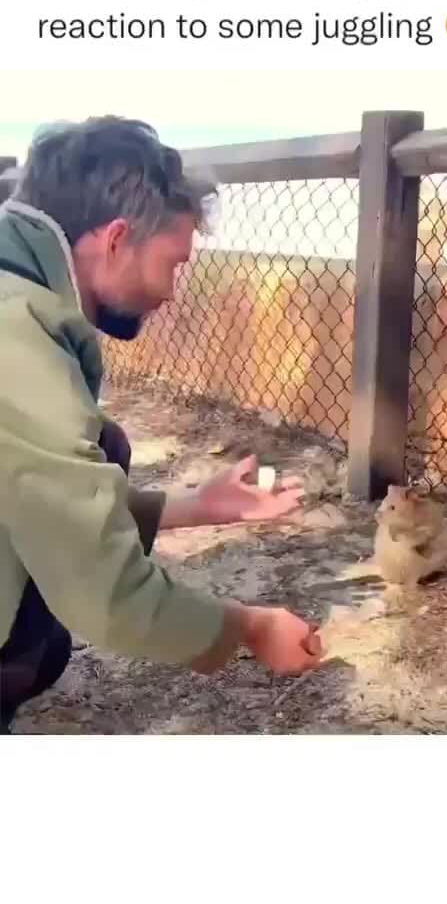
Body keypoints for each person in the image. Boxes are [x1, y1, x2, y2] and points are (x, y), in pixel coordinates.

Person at [0, 116, 322, 734]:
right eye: (172, 264)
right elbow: (102, 594)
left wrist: (195, 505)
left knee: (105, 445)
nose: (174, 292)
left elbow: (31, 488)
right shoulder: (18, 339)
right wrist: (248, 629)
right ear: (116, 238)